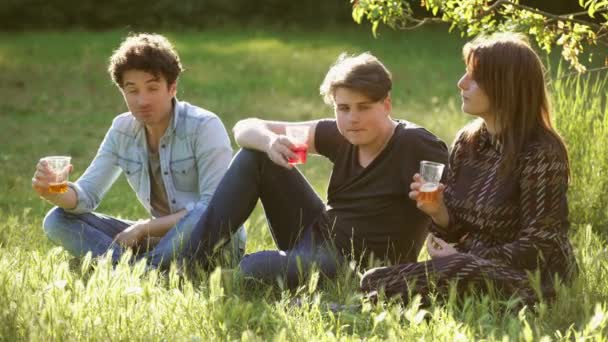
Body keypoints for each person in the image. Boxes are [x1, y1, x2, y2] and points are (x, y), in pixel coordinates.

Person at [161, 52, 448, 287]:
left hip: (356, 267)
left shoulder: (417, 144)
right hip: (316, 235)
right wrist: (271, 142)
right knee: (257, 156)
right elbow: (245, 127)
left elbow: (452, 214)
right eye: (343, 108)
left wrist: (437, 210)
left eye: (364, 107)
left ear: (386, 104)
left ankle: (230, 272)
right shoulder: (340, 133)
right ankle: (186, 265)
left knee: (253, 268)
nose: (352, 118)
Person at [360, 33, 578, 305]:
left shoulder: (541, 152)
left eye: (474, 78)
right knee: (372, 277)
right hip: (466, 265)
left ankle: (360, 308)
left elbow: (540, 245)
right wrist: (439, 213)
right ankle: (379, 301)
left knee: (453, 273)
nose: (461, 83)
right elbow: (456, 230)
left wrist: (464, 258)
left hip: (530, 276)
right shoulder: (468, 142)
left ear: (504, 86)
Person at [32, 33, 246, 268]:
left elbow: (213, 211)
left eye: (152, 88)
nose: (142, 100)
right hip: (160, 240)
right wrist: (55, 193)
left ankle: (131, 269)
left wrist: (144, 228)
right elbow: (86, 196)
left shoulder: (204, 126)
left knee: (201, 213)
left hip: (214, 240)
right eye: (132, 90)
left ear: (172, 87)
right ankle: (142, 270)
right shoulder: (122, 130)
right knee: (57, 219)